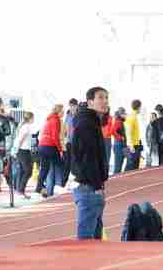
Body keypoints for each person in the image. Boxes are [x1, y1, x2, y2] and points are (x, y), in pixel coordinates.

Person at [68, 87, 111, 240]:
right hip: (88, 187)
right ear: (90, 102)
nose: (105, 101)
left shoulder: (92, 121)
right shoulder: (86, 124)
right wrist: (97, 186)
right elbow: (88, 158)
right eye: (100, 97)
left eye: (106, 97)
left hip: (90, 185)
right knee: (86, 240)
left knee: (94, 238)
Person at [36, 104, 65, 198]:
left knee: (45, 168)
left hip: (42, 145)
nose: (63, 112)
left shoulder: (49, 119)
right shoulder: (56, 120)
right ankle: (60, 185)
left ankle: (39, 186)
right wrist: (60, 150)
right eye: (62, 111)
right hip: (50, 146)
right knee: (61, 164)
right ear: (58, 111)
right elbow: (55, 136)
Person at [11, 110, 38, 197]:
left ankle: (20, 190)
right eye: (33, 118)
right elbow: (21, 139)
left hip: (22, 150)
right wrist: (16, 149)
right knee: (28, 171)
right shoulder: (26, 126)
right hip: (23, 150)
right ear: (30, 118)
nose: (34, 120)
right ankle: (20, 190)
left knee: (23, 171)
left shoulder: (23, 126)